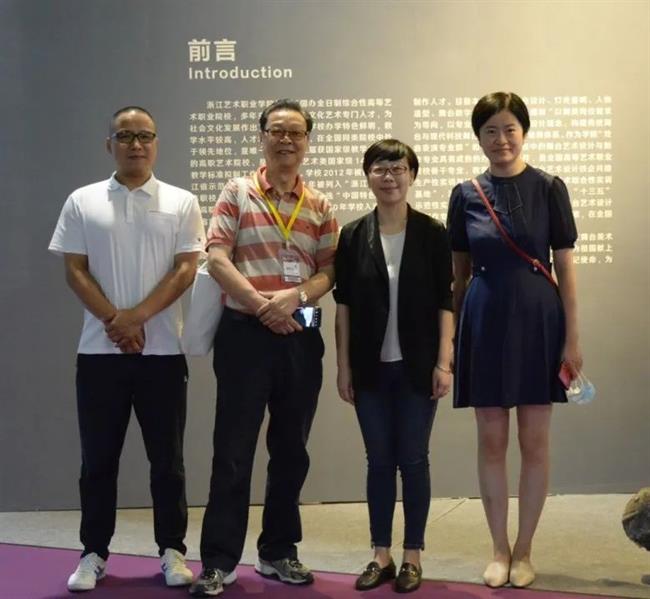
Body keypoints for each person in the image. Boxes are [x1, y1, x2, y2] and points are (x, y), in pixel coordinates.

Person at [48, 106, 205, 592]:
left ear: (156, 143)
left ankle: (172, 551)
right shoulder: (83, 200)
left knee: (168, 462)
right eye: (125, 136)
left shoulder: (181, 201)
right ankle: (93, 552)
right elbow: (75, 269)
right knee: (98, 461)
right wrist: (116, 323)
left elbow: (185, 269)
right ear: (109, 145)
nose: (136, 144)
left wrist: (135, 318)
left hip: (163, 353)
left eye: (144, 136)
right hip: (100, 354)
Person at [190, 99, 338, 597]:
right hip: (245, 334)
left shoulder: (319, 205)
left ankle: (278, 550)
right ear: (262, 137)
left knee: (292, 450)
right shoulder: (238, 192)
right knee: (233, 450)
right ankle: (218, 561)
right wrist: (260, 305)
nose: (286, 140)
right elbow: (216, 258)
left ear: (307, 142)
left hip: (301, 332)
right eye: (277, 130)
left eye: (296, 132)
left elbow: (329, 271)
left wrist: (293, 299)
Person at [446, 92, 582, 588]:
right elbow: (459, 274)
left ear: (523, 131)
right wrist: (454, 339)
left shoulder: (549, 187)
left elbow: (564, 265)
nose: (501, 139)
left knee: (535, 441)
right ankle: (498, 549)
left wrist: (572, 338)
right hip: (483, 322)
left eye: (509, 129)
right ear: (478, 137)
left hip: (539, 321)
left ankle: (524, 550)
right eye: (490, 131)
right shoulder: (465, 194)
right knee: (491, 440)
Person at [334, 139, 454, 593]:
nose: (389, 176)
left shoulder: (432, 232)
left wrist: (444, 362)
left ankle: (412, 556)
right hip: (369, 368)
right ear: (368, 176)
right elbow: (343, 306)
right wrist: (343, 367)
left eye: (398, 168)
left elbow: (446, 301)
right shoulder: (353, 235)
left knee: (414, 460)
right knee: (379, 461)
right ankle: (380, 554)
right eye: (380, 168)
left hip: (418, 366)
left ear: (412, 175)